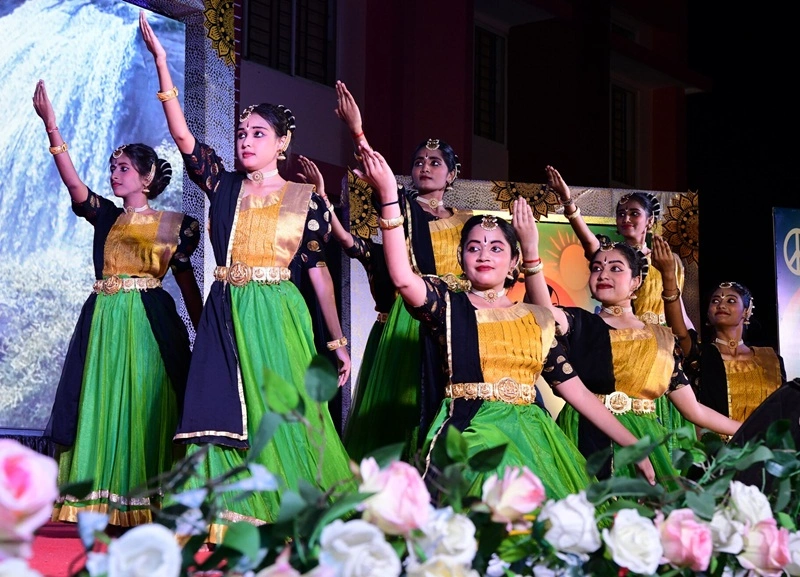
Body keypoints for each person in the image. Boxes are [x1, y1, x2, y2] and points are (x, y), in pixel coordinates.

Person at [140, 13, 354, 537]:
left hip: (279, 311)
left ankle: (295, 508)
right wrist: (164, 64)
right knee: (218, 402)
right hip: (227, 305)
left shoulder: (305, 199)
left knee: (282, 407)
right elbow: (184, 137)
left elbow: (318, 272)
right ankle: (224, 511)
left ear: (282, 143)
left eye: (258, 133)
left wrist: (337, 340)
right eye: (241, 132)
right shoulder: (225, 185)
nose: (246, 140)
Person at [357, 146, 656, 499]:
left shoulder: (536, 319)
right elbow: (403, 278)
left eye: (496, 248)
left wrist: (632, 444)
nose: (484, 254)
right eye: (474, 248)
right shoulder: (447, 306)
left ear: (514, 261)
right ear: (461, 258)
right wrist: (389, 197)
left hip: (533, 440)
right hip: (469, 434)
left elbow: (576, 392)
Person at [33, 79, 202, 527]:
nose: (115, 174)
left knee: (146, 403)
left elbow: (187, 286)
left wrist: (205, 333)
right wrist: (52, 127)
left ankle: (149, 500)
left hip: (149, 322)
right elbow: (74, 184)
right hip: (105, 321)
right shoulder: (107, 215)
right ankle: (104, 501)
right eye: (113, 168)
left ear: (146, 178)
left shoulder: (175, 225)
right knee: (102, 401)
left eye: (124, 168)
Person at [518, 200, 742, 486]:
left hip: (645, 441)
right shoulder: (581, 324)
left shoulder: (662, 339)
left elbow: (693, 410)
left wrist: (749, 429)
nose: (603, 274)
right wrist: (531, 252)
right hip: (585, 438)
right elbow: (544, 311)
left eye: (615, 268)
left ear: (636, 282)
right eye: (596, 268)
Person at [333, 81, 477, 461]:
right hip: (415, 312)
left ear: (452, 175)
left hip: (458, 314)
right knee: (411, 399)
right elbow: (375, 172)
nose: (425, 167)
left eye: (435, 162)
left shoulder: (469, 221)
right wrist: (357, 131)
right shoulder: (402, 207)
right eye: (418, 162)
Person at [548, 166, 694, 452]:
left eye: (634, 213)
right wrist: (568, 202)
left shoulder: (670, 261)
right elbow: (589, 242)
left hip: (657, 351)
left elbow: (678, 308)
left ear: (650, 220)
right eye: (621, 213)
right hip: (624, 347)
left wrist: (689, 342)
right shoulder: (611, 257)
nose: (626, 218)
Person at [652, 235, 786, 426]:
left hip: (766, 443)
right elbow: (680, 333)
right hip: (714, 444)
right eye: (715, 301)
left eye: (731, 301)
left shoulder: (771, 359)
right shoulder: (700, 356)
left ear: (746, 311)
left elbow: (783, 412)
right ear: (708, 313)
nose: (721, 304)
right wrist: (668, 276)